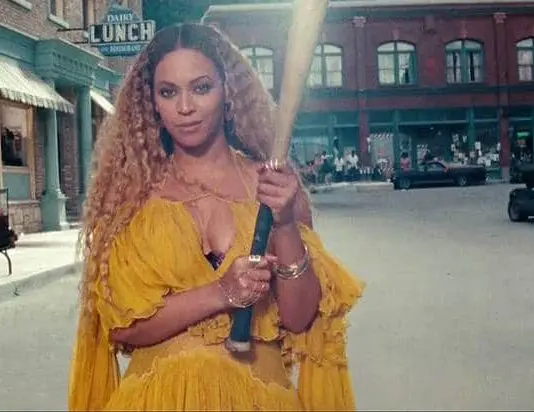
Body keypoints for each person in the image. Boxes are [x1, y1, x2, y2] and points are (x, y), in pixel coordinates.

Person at [68, 23, 364, 411]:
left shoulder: (272, 187)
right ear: (152, 103)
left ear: (228, 92)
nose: (185, 107)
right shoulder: (131, 196)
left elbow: (299, 317)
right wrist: (221, 293)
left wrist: (285, 223)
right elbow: (124, 325)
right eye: (168, 92)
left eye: (201, 87)